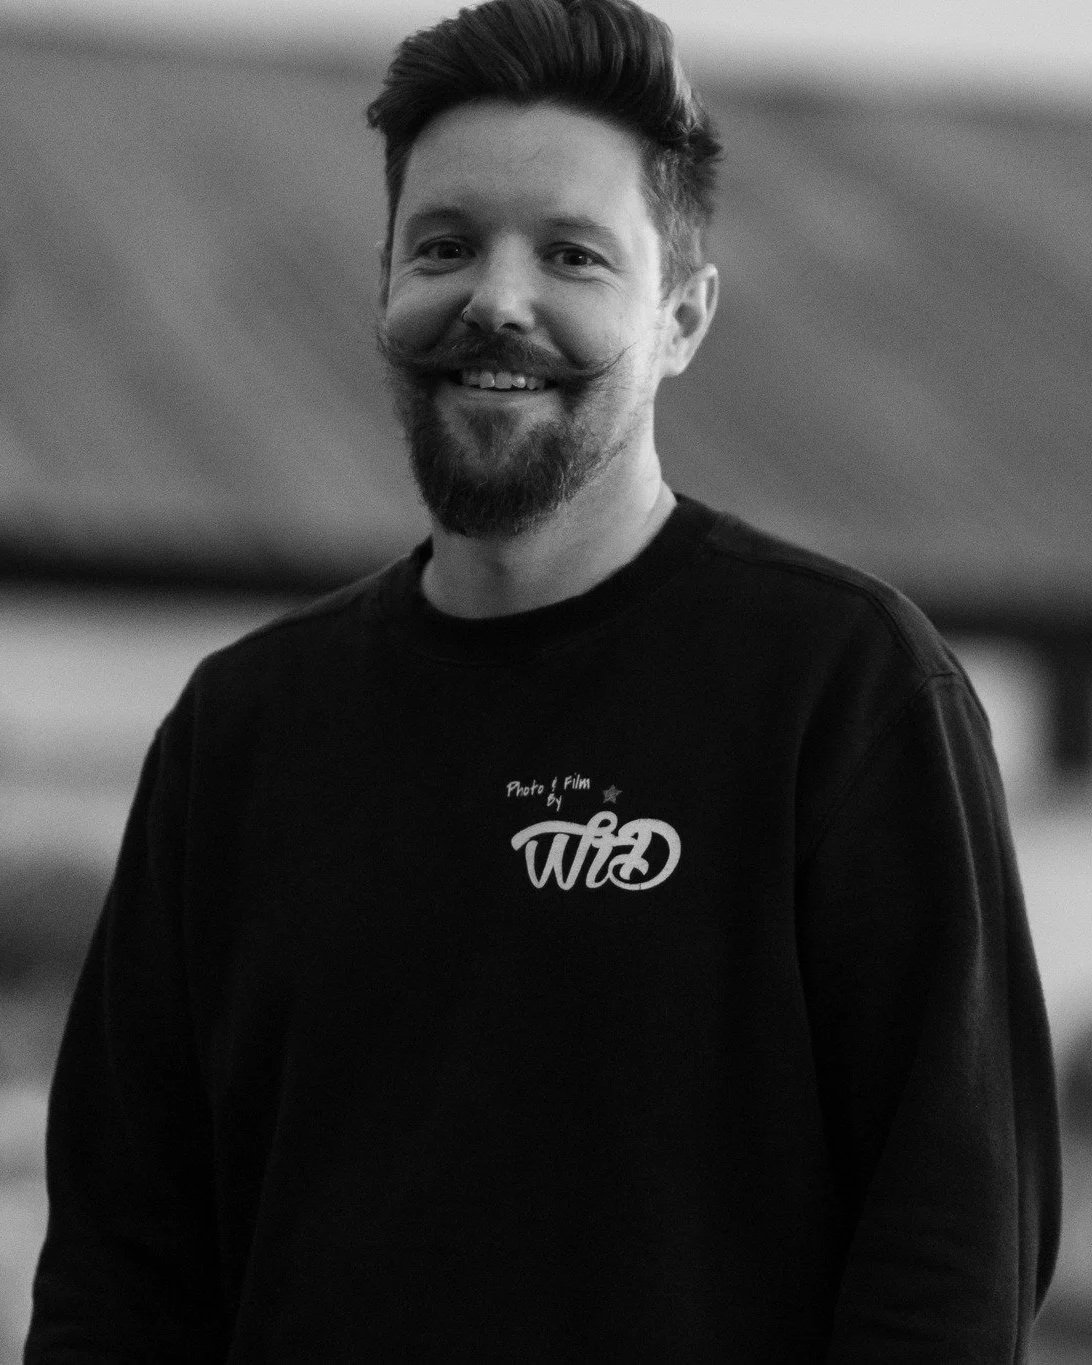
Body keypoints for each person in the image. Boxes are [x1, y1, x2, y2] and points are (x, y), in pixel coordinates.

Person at [26, 0, 1061, 1359]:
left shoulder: (845, 693)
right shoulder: (241, 733)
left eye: (571, 254)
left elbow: (952, 1251)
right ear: (386, 287)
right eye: (445, 245)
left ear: (682, 315)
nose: (496, 299)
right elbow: (120, 1264)